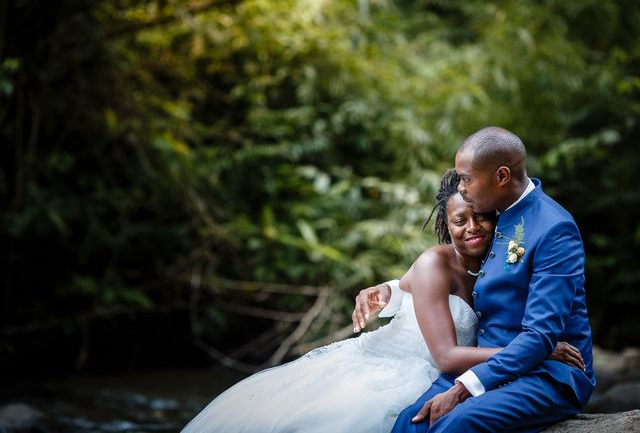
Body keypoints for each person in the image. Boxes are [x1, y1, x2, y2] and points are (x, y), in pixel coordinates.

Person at [181, 168, 582, 433]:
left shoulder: (502, 252)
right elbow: (442, 339)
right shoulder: (433, 263)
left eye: (483, 217)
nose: (473, 228)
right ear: (446, 225)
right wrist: (536, 351)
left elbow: (410, 287)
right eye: (460, 221)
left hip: (442, 370)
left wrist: (388, 291)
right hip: (400, 368)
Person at [389, 127, 596, 433]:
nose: (460, 187)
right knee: (411, 420)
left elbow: (540, 337)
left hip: (550, 373)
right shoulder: (492, 215)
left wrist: (463, 388)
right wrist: (389, 288)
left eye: (466, 178)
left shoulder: (554, 228)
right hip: (490, 365)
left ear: (501, 176)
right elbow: (455, 266)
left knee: (457, 423)